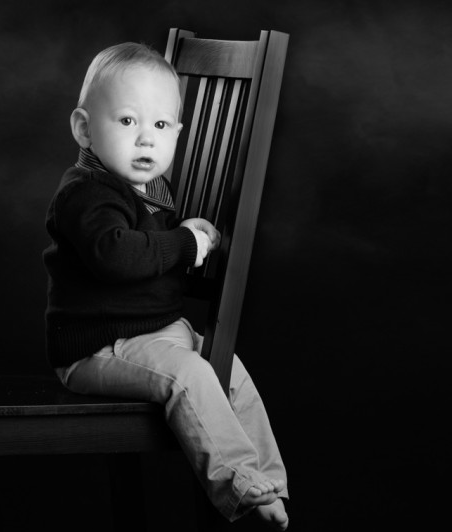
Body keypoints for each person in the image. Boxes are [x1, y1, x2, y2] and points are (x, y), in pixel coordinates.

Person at [42, 42, 288, 530]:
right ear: (84, 128)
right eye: (128, 122)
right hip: (98, 348)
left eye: (159, 127)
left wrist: (186, 234)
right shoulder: (85, 194)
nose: (145, 142)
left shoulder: (150, 190)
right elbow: (118, 256)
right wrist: (182, 241)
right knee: (189, 375)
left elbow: (154, 248)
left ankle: (270, 483)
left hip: (155, 335)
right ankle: (239, 482)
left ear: (177, 132)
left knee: (230, 372)